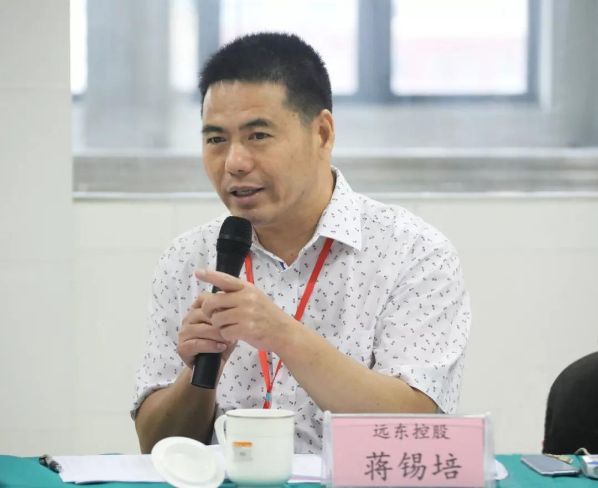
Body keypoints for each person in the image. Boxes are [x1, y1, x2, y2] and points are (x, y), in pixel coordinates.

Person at [132, 32, 471, 454]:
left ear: (322, 134)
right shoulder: (189, 258)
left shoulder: (413, 252)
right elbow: (156, 446)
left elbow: (415, 427)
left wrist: (281, 335)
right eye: (216, 139)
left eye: (258, 136)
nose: (234, 163)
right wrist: (200, 372)